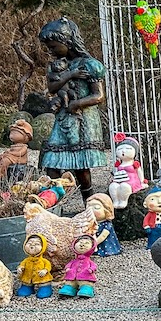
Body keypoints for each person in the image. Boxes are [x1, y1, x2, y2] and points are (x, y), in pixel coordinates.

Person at [38, 17, 108, 201]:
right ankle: (53, 202)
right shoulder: (58, 66)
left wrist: (77, 104)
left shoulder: (89, 65)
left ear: (67, 42)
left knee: (81, 166)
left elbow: (98, 95)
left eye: (53, 47)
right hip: (64, 118)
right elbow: (52, 88)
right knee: (51, 161)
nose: (51, 51)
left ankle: (89, 201)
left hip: (83, 120)